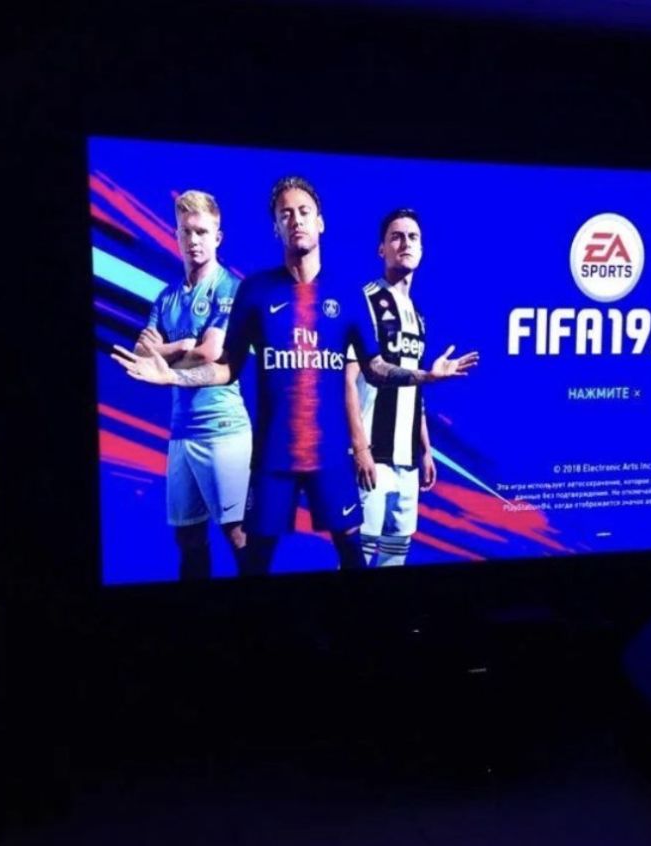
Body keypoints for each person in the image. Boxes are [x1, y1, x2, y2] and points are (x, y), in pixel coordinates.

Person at [112, 177, 477, 574]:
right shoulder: (255, 291)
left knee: (352, 556)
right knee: (254, 561)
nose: (296, 220)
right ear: (276, 227)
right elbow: (227, 367)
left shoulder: (347, 295)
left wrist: (425, 376)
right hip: (273, 458)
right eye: (285, 214)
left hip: (330, 456)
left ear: (320, 222)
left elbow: (374, 368)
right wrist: (174, 378)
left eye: (304, 212)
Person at [131, 190, 250, 580]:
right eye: (186, 231)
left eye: (202, 231)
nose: (194, 240)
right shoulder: (167, 296)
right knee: (188, 537)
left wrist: (167, 353)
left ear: (218, 236)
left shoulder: (228, 287)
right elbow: (141, 352)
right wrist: (181, 345)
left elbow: (211, 351)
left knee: (238, 535)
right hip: (181, 432)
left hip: (222, 429)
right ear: (176, 235)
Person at [344, 208, 438, 567]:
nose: (405, 244)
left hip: (408, 460)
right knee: (359, 556)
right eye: (396, 237)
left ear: (422, 248)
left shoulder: (418, 315)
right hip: (372, 455)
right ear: (381, 249)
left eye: (413, 237)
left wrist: (425, 450)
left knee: (395, 557)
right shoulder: (366, 301)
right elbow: (348, 379)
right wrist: (360, 448)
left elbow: (414, 390)